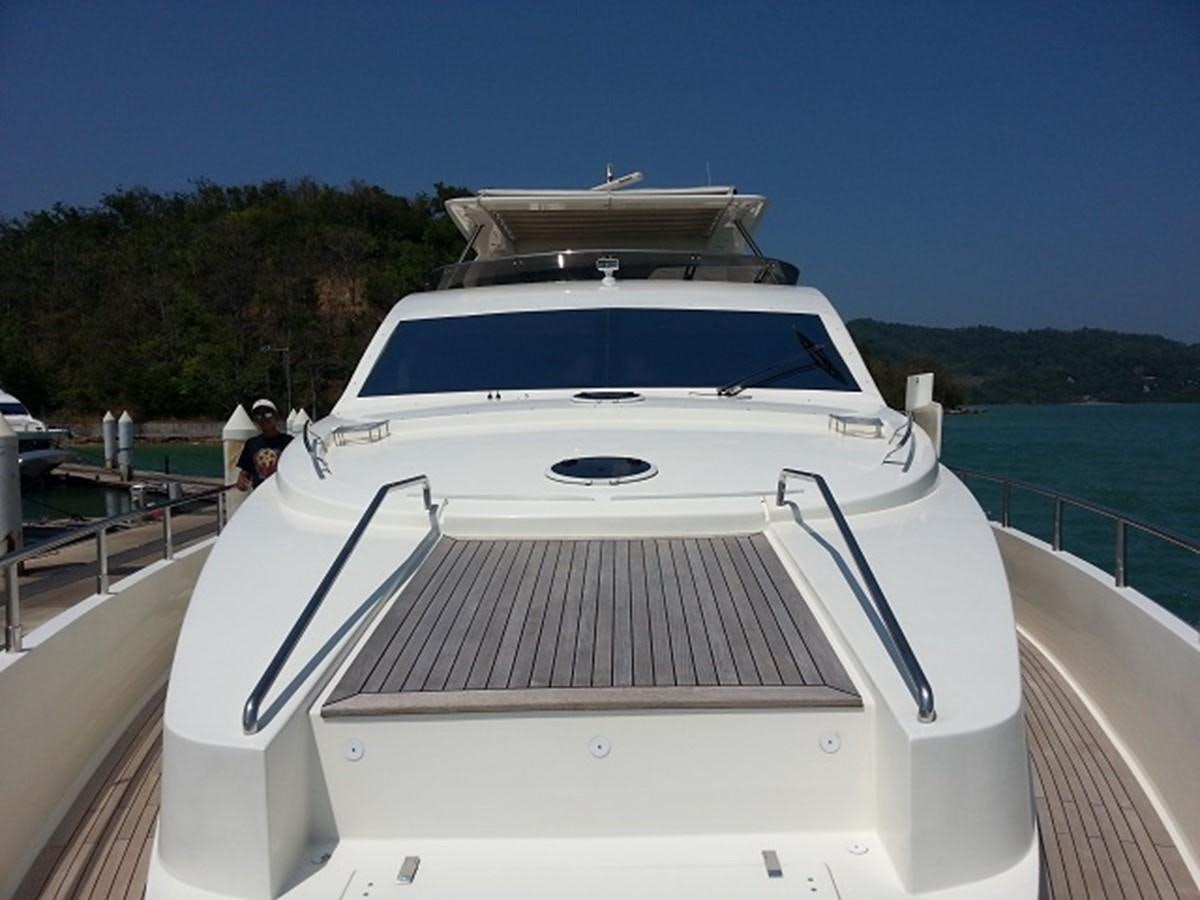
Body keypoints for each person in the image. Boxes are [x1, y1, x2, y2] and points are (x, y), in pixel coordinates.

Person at [236, 399, 293, 491]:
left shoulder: (289, 442)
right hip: (261, 495)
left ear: (276, 416)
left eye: (267, 414)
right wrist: (241, 481)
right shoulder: (251, 444)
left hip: (283, 494)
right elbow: (245, 472)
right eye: (258, 415)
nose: (263, 418)